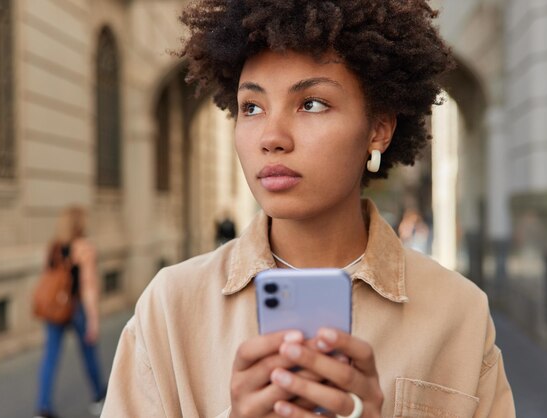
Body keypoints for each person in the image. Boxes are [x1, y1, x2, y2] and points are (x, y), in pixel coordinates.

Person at [103, 1, 515, 417]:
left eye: (312, 104)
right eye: (252, 107)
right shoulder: (170, 309)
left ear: (379, 129)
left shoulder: (458, 313)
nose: (272, 137)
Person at [34, 206, 106, 418]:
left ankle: (43, 408)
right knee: (89, 354)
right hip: (77, 308)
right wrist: (93, 320)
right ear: (80, 224)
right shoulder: (85, 248)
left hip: (55, 309)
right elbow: (88, 287)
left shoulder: (54, 246)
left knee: (50, 357)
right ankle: (99, 399)